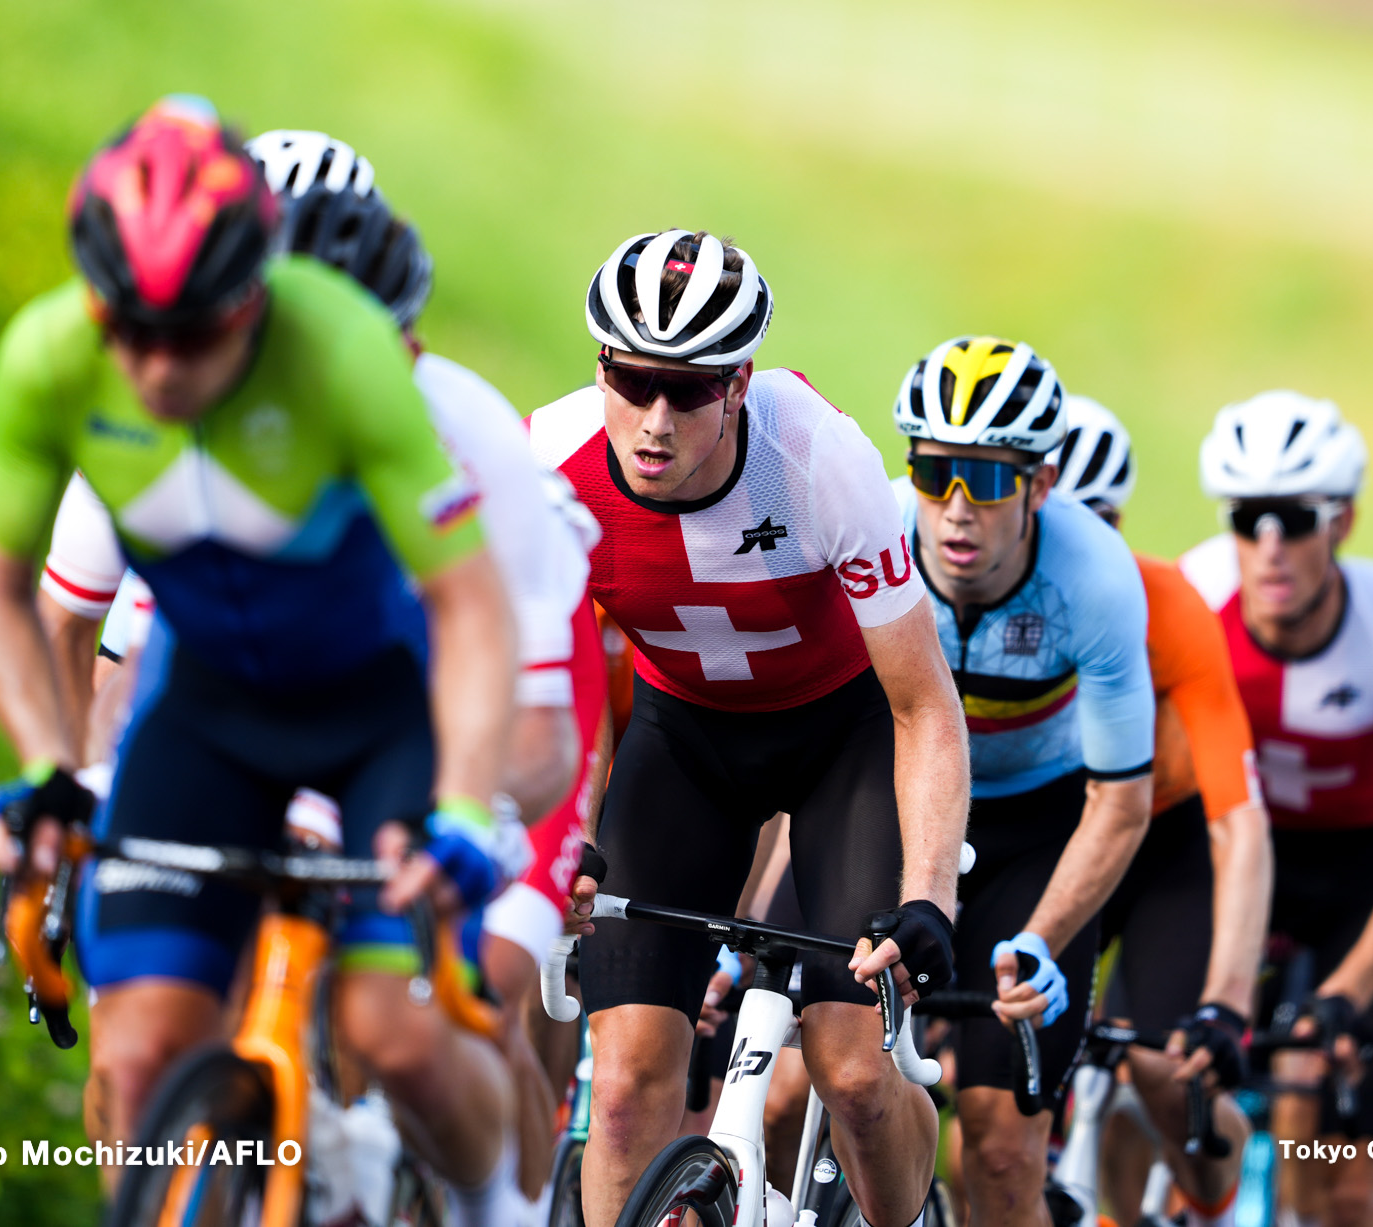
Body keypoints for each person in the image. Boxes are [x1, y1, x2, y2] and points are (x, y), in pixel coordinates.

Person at [0, 97, 520, 1206]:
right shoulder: (52, 357)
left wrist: (460, 801)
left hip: (376, 714)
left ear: (254, 297)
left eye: (195, 333)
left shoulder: (346, 353)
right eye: (130, 329)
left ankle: (502, 1202)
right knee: (132, 1053)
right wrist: (47, 770)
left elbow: (474, 607)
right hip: (209, 711)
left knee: (389, 1033)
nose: (158, 368)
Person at [533, 229, 970, 1227]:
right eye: (630, 377)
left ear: (737, 385)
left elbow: (922, 704)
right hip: (682, 741)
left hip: (840, 743)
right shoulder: (548, 463)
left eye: (685, 391)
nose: (653, 419)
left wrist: (928, 898)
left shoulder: (816, 457)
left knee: (854, 1074)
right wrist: (566, 830)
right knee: (632, 1080)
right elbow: (557, 675)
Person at [890, 344, 1157, 1227]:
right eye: (935, 472)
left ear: (1041, 483)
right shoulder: (879, 538)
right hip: (898, 807)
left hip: (1033, 829)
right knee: (783, 1090)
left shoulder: (1095, 578)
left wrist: (1043, 938)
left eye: (988, 480)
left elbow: (1121, 799)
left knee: (1001, 1155)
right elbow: (802, 754)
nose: (956, 509)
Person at [1179, 391, 1373, 1227]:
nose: (1269, 547)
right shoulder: (1198, 596)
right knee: (1158, 1075)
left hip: (1362, 870)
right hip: (1237, 848)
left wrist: (1344, 994)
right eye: (1248, 516)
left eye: (1294, 519)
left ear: (1343, 523)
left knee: (1350, 1169)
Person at [1048, 395, 1271, 1227]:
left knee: (1164, 1071)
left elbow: (1239, 822)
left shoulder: (1168, 604)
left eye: (1099, 523)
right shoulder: (974, 596)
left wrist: (1228, 1001)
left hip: (1161, 843)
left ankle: (1208, 1196)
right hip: (1046, 831)